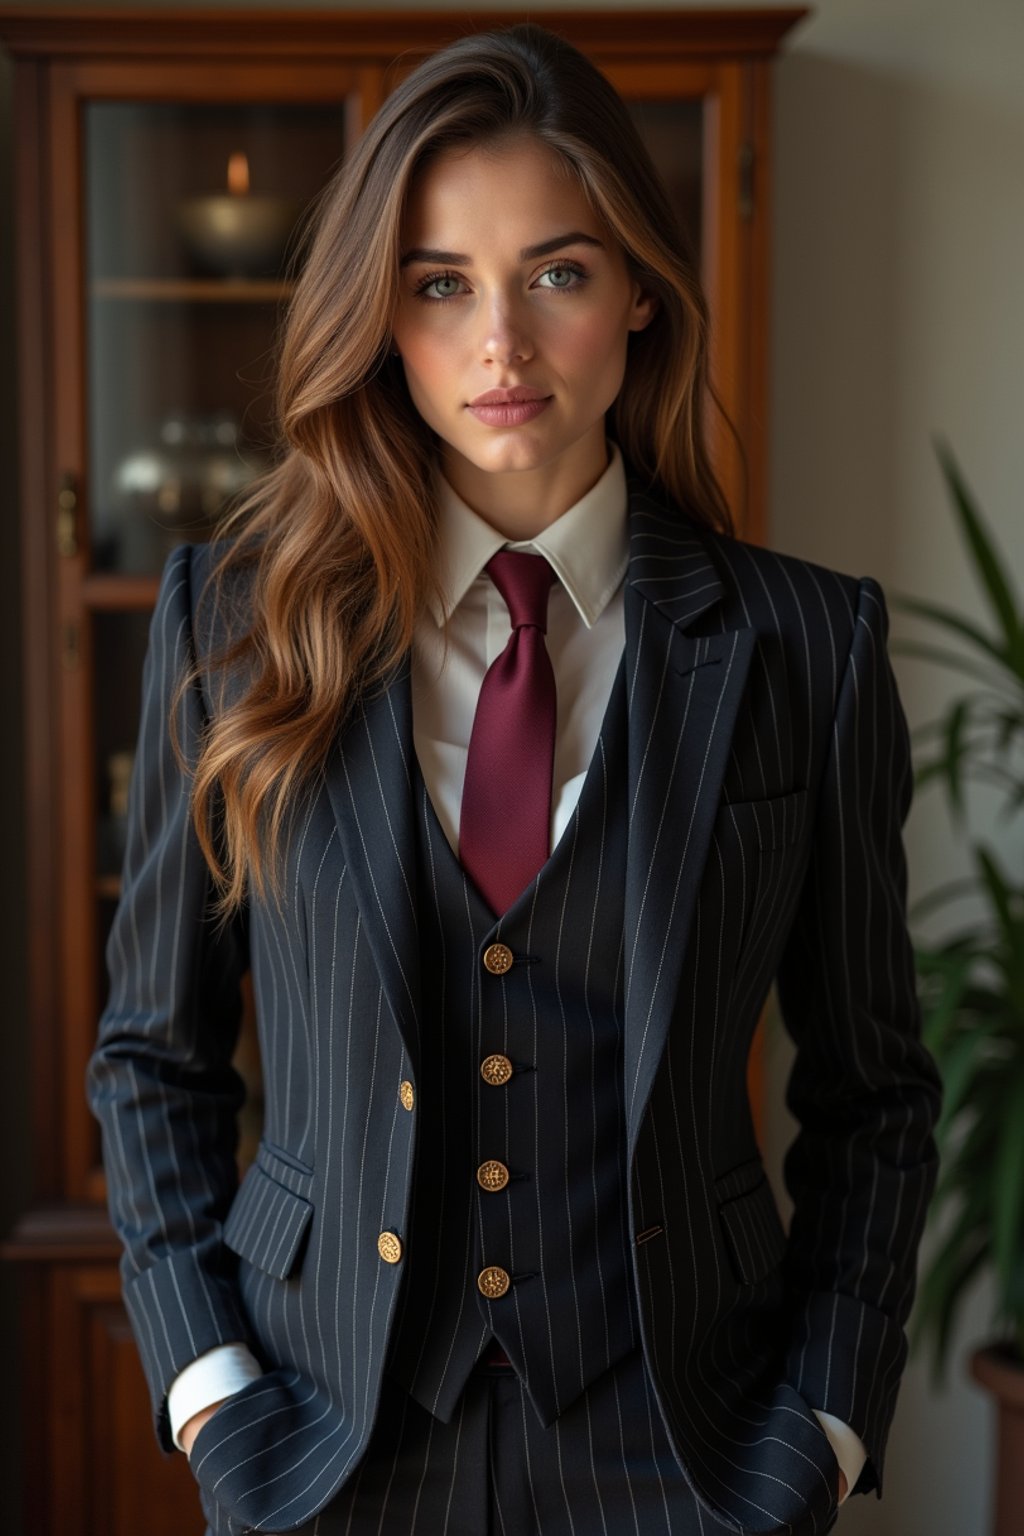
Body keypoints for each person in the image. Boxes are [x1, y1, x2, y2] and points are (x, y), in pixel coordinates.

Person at [87, 22, 942, 1536]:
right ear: (380, 313)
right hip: (323, 1449)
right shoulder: (231, 627)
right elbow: (155, 1058)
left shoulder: (806, 646)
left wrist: (825, 1426)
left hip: (688, 1456)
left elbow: (872, 1095)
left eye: (557, 272)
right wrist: (214, 1397)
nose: (502, 345)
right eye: (439, 284)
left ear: (636, 296)